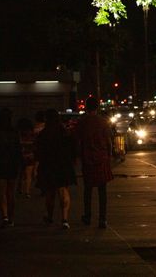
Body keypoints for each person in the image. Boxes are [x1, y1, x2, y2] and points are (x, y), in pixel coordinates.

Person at [75, 96, 113, 229]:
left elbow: (78, 142)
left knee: (88, 189)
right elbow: (108, 142)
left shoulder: (82, 122)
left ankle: (88, 216)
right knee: (102, 191)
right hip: (101, 158)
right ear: (97, 107)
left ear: (86, 107)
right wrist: (109, 156)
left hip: (88, 159)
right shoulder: (103, 122)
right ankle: (102, 219)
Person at [35, 108, 77, 229]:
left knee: (50, 193)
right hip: (64, 165)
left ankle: (50, 216)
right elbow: (72, 149)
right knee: (63, 190)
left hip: (48, 166)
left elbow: (39, 152)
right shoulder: (64, 132)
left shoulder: (43, 134)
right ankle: (64, 218)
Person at [0, 108, 22, 228]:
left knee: (1, 192)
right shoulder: (14, 132)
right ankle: (11, 217)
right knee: (10, 192)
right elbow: (18, 150)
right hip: (12, 165)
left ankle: (5, 216)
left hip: (0, 165)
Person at [17, 118, 36, 197]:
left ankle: (19, 188)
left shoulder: (19, 134)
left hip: (20, 155)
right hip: (30, 156)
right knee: (29, 175)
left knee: (20, 174)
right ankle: (27, 191)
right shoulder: (32, 134)